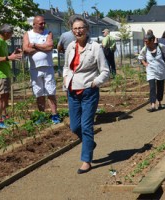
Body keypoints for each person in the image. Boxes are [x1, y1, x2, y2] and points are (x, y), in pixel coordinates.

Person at [63, 15, 110, 174]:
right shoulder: (70, 46)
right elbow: (66, 67)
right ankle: (89, 144)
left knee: (86, 126)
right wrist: (65, 78)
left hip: (89, 91)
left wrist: (95, 83)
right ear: (72, 30)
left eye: (81, 28)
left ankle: (86, 161)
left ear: (87, 29)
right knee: (75, 126)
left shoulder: (95, 47)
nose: (78, 31)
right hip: (72, 91)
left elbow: (105, 71)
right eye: (75, 28)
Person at [23, 15, 60, 124]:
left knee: (51, 91)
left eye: (44, 23)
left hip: (48, 67)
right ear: (34, 24)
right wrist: (42, 47)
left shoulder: (48, 33)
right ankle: (42, 115)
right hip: (35, 68)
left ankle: (54, 115)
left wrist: (34, 45)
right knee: (38, 92)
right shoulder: (28, 34)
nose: (43, 25)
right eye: (41, 23)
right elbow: (26, 49)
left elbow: (49, 47)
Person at [0, 24, 22, 128]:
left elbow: (4, 56)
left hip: (5, 72)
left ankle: (5, 118)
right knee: (0, 96)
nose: (11, 35)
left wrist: (13, 54)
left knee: (5, 96)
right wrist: (9, 58)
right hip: (0, 74)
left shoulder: (3, 42)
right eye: (11, 33)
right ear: (6, 33)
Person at [138, 34, 165, 112]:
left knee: (160, 86)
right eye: (144, 41)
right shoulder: (145, 48)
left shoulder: (160, 46)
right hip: (151, 70)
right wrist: (145, 63)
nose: (145, 43)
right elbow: (141, 57)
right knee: (152, 87)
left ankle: (159, 102)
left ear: (152, 40)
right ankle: (152, 105)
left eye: (147, 41)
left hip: (160, 69)